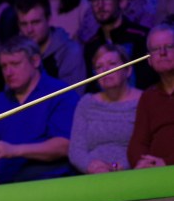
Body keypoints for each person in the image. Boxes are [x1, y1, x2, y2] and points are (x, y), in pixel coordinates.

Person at [0, 35, 80, 186]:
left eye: (15, 64)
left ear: (35, 61)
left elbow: (64, 146)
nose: (8, 72)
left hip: (45, 180)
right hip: (1, 184)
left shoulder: (60, 94)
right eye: (4, 66)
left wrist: (14, 150)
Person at [69, 44, 141, 174]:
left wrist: (119, 166)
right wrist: (91, 166)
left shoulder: (144, 100)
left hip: (133, 173)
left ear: (128, 70)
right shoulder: (86, 103)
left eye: (112, 64)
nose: (105, 70)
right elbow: (76, 150)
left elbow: (149, 146)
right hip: (92, 174)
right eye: (99, 67)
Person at [14, 0, 87, 95]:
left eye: (35, 22)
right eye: (24, 24)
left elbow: (71, 97)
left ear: (48, 20)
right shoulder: (15, 53)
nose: (29, 30)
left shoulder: (70, 52)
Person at [127, 24, 174, 168]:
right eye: (155, 49)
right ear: (149, 60)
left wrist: (166, 163)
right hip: (154, 173)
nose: (162, 53)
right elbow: (137, 144)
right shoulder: (148, 97)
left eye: (169, 47)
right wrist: (142, 162)